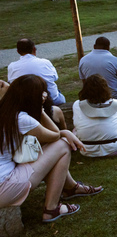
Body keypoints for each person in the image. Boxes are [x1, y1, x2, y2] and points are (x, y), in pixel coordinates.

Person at [0, 74, 102, 223]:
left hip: (4, 183)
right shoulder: (21, 119)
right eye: (42, 92)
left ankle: (71, 188)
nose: (45, 95)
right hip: (6, 188)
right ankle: (52, 209)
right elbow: (54, 135)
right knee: (63, 145)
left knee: (49, 149)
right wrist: (41, 111)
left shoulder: (5, 112)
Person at [72, 75, 117, 158]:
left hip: (87, 151)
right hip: (116, 148)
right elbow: (113, 121)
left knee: (75, 130)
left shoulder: (77, 105)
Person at [7, 39, 66, 106]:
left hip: (25, 103)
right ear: (34, 49)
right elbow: (55, 78)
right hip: (50, 100)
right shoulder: (45, 62)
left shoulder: (12, 67)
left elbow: (11, 83)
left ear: (18, 51)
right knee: (60, 96)